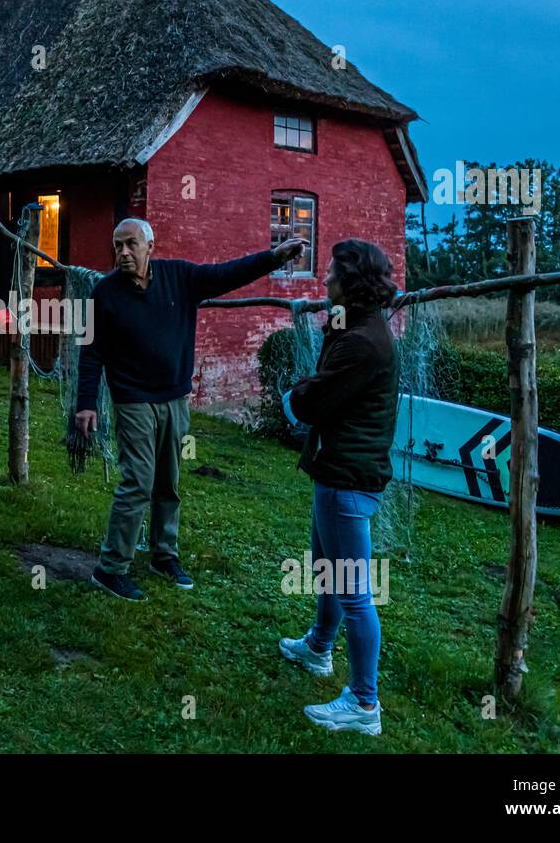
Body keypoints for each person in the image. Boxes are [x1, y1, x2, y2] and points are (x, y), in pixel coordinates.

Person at [75, 218, 308, 601]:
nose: (123, 253)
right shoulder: (103, 293)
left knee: (169, 480)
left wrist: (272, 258)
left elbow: (226, 274)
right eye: (117, 246)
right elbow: (91, 352)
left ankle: (163, 554)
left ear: (151, 245)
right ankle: (111, 568)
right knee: (138, 481)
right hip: (133, 400)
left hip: (175, 398)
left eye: (131, 244)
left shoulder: (179, 277)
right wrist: (86, 404)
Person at [279, 239, 400, 736]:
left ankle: (364, 703)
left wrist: (292, 396)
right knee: (326, 568)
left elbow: (315, 399)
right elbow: (328, 369)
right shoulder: (353, 324)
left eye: (330, 272)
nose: (322, 279)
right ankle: (319, 647)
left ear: (351, 281)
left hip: (348, 477)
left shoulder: (364, 342)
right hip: (338, 470)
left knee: (355, 593)